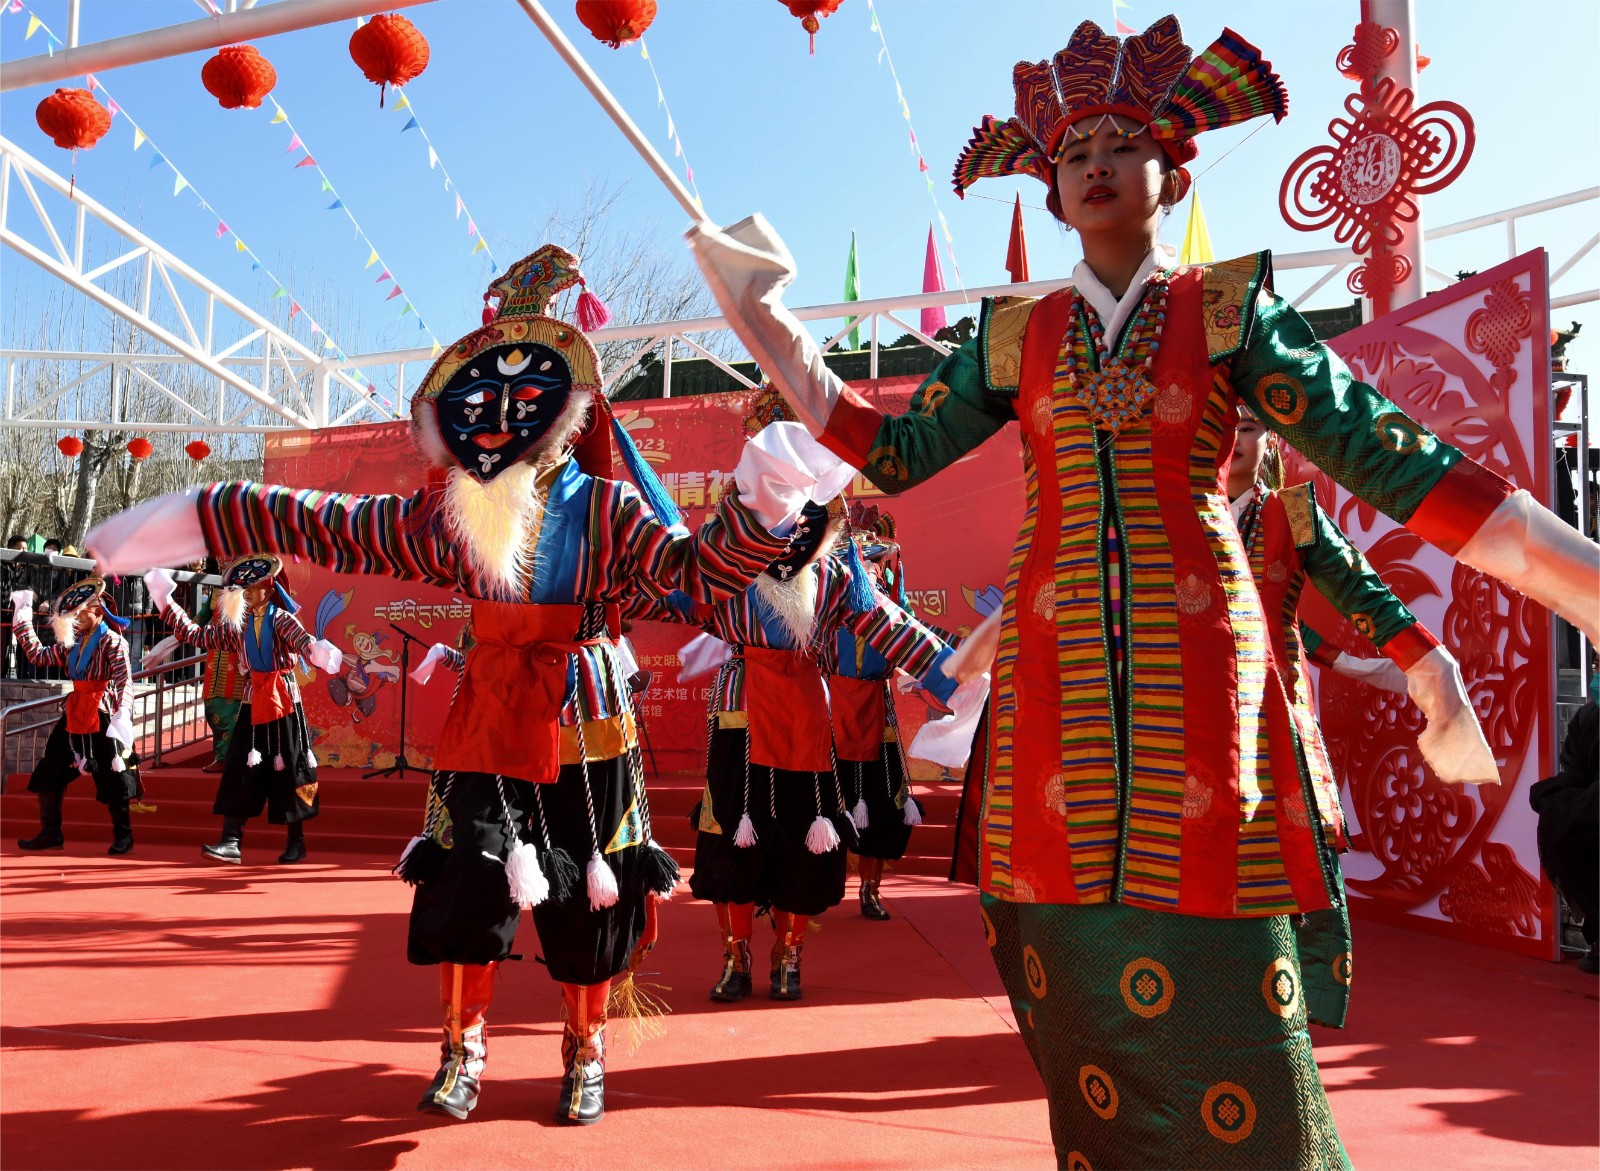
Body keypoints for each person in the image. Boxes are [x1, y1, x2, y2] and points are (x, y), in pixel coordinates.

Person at [690, 16, 1600, 1166]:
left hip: (1201, 658)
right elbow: (898, 454)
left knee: (1220, 940)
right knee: (1065, 958)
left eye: (1122, 142)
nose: (1096, 165)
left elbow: (1390, 454)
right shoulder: (1018, 334)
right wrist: (767, 326)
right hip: (1050, 667)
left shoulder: (1228, 309)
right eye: (1073, 154)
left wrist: (1573, 578)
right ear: (1053, 189)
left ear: (1171, 167)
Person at [85, 244, 846, 1127]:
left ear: (565, 415)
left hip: (585, 717)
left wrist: (769, 503)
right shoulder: (451, 512)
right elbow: (329, 526)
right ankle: (461, 1048)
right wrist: (203, 513)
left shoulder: (606, 508)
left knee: (586, 896)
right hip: (485, 716)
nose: (495, 422)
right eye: (478, 404)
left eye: (521, 404)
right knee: (467, 885)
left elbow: (696, 571)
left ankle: (585, 1052)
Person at [642, 498, 957, 1003]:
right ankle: (735, 955)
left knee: (804, 844)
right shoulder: (724, 559)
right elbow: (666, 595)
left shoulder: (833, 569)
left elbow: (886, 625)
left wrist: (957, 674)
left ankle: (789, 954)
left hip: (806, 718)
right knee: (732, 841)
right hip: (740, 715)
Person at [146, 554, 340, 865]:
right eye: (243, 588)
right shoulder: (238, 626)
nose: (246, 593)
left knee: (289, 770)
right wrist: (165, 601)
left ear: (269, 587)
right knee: (239, 767)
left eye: (252, 587)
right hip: (252, 700)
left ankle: (296, 840)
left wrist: (317, 652)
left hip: (283, 702)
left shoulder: (282, 619)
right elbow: (198, 635)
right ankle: (230, 841)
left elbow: (303, 642)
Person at [825, 504, 926, 920]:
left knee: (882, 809)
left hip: (876, 713)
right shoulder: (826, 607)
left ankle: (870, 888)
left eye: (871, 561)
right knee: (826, 805)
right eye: (856, 558)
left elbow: (913, 647)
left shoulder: (889, 611)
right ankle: (819, 885)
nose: (867, 568)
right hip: (832, 712)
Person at [9, 577, 138, 854]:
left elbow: (125, 680)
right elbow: (38, 655)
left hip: (102, 713)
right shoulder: (72, 643)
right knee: (49, 770)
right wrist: (22, 614)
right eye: (73, 613)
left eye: (81, 611)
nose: (76, 617)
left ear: (98, 610)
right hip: (75, 711)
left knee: (115, 775)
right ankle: (50, 832)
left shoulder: (113, 642)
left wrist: (123, 713)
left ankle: (123, 836)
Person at [1529, 702, 1598, 973]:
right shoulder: (1589, 716)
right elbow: (1576, 772)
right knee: (1560, 818)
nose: (1596, 673)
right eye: (1595, 664)